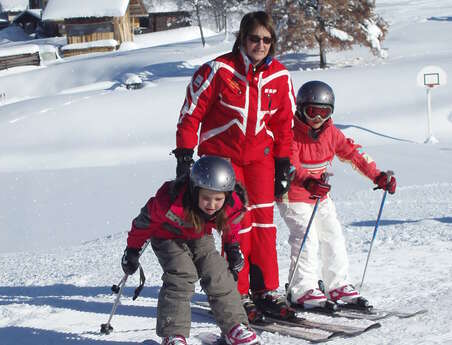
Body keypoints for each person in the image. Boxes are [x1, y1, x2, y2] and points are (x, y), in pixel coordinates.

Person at [172, 11, 295, 322]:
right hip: (223, 160)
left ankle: (265, 290)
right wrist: (185, 157)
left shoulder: (279, 77)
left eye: (267, 40)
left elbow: (284, 126)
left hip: (260, 160)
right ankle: (237, 293)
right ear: (242, 38)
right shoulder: (218, 70)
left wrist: (283, 165)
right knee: (237, 226)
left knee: (265, 223)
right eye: (254, 38)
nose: (260, 44)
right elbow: (191, 115)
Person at [277, 80, 397, 309]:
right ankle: (302, 288)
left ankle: (337, 285)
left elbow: (354, 155)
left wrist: (378, 176)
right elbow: (290, 166)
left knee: (333, 235)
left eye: (324, 113)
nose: (317, 119)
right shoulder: (290, 133)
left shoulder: (331, 133)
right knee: (306, 238)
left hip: (319, 195)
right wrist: (309, 182)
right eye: (312, 112)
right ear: (301, 109)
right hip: (293, 196)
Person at [121, 156, 260, 345]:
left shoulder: (231, 204)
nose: (211, 205)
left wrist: (232, 247)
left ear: (226, 196)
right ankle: (173, 334)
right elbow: (143, 223)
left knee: (218, 273)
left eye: (218, 199)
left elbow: (231, 224)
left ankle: (235, 326)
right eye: (206, 198)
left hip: (199, 236)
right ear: (195, 192)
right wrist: (132, 250)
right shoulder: (170, 200)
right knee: (182, 275)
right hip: (167, 237)